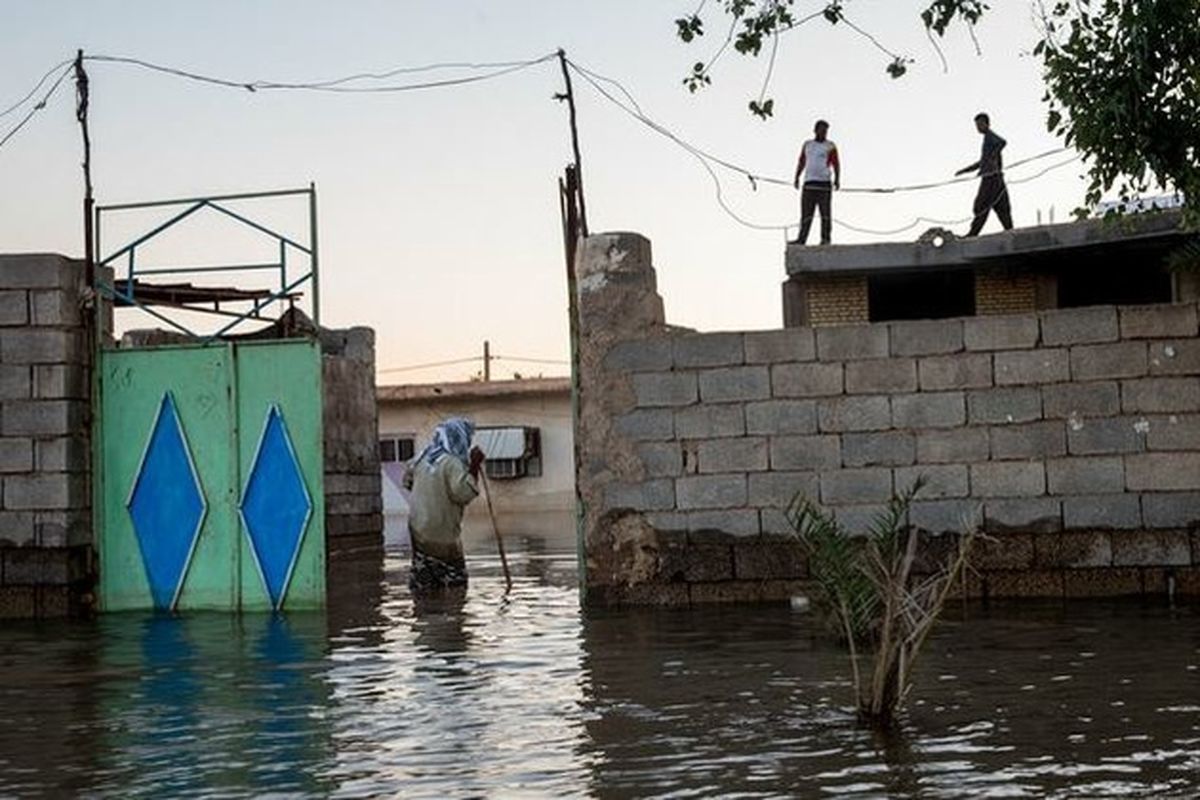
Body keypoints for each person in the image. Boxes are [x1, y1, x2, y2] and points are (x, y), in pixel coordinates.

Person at [405, 418, 485, 592]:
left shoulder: (420, 459)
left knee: (423, 586)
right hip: (442, 535)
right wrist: (475, 466)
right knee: (456, 586)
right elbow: (463, 493)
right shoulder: (452, 463)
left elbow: (407, 481)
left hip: (419, 533)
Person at [956, 112, 1013, 236]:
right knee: (1001, 206)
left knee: (981, 206)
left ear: (987, 124)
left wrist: (993, 156)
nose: (978, 127)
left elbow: (1002, 142)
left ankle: (973, 233)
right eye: (977, 125)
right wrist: (964, 171)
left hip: (991, 178)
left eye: (980, 124)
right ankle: (1010, 231)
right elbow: (981, 162)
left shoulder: (989, 136)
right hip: (996, 179)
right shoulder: (986, 140)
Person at [792, 119, 841, 245]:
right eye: (821, 130)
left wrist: (837, 179)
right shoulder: (808, 145)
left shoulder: (830, 146)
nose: (824, 133)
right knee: (806, 213)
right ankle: (801, 239)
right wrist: (797, 177)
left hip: (824, 183)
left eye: (825, 131)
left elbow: (836, 164)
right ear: (815, 130)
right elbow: (802, 161)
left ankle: (825, 238)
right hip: (809, 183)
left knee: (825, 213)